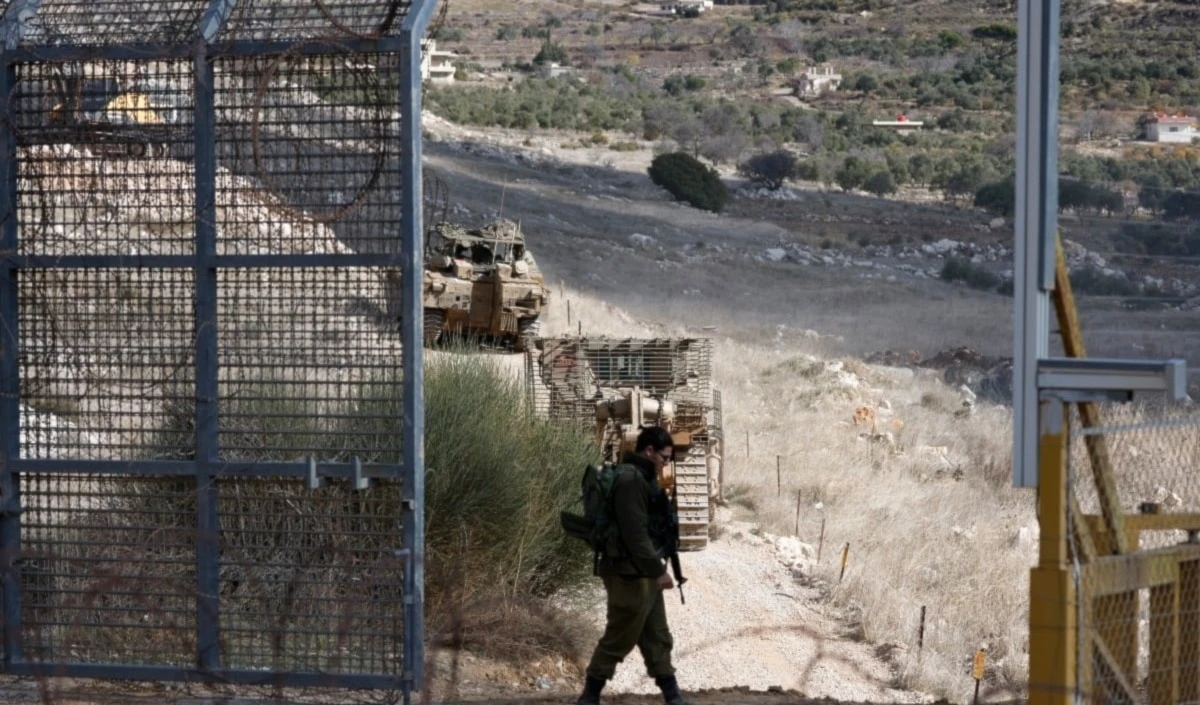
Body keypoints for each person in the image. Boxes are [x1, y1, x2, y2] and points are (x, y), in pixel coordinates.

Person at [576, 426, 691, 705]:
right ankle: (589, 696)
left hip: (640, 571)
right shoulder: (630, 480)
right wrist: (658, 571)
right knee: (621, 633)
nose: (666, 463)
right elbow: (635, 534)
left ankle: (672, 695)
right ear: (648, 451)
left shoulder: (643, 477)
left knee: (657, 635)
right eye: (664, 457)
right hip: (628, 572)